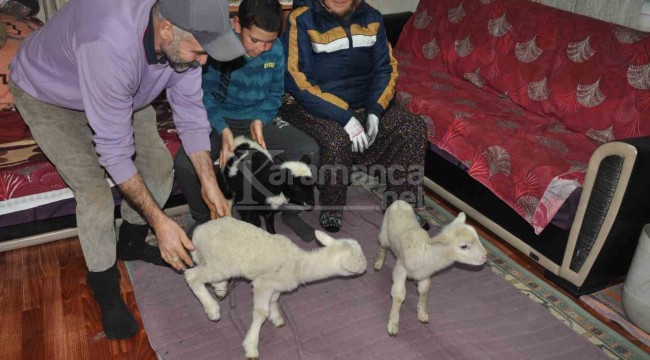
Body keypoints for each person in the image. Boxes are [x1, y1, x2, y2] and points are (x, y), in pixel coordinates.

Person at [9, 0, 242, 340]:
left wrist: (210, 182)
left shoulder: (180, 41)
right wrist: (160, 222)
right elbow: (115, 153)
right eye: (199, 51)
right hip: (48, 93)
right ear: (165, 30)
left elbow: (191, 113)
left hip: (120, 88)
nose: (204, 62)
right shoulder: (109, 44)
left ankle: (130, 243)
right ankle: (104, 286)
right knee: (96, 194)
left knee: (160, 167)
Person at [174, 0, 319, 242]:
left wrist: (260, 120)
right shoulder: (217, 48)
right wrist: (221, 128)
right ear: (237, 24)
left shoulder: (276, 50)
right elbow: (204, 95)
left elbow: (275, 94)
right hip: (219, 120)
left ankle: (290, 212)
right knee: (186, 165)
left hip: (260, 120)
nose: (262, 48)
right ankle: (201, 219)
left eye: (269, 41)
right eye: (255, 40)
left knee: (308, 151)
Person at [279, 0, 429, 232]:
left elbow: (385, 69)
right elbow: (297, 80)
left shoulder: (373, 17)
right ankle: (332, 207)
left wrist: (375, 111)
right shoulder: (302, 19)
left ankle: (402, 207)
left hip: (363, 104)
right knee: (336, 139)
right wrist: (344, 117)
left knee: (412, 128)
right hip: (314, 105)